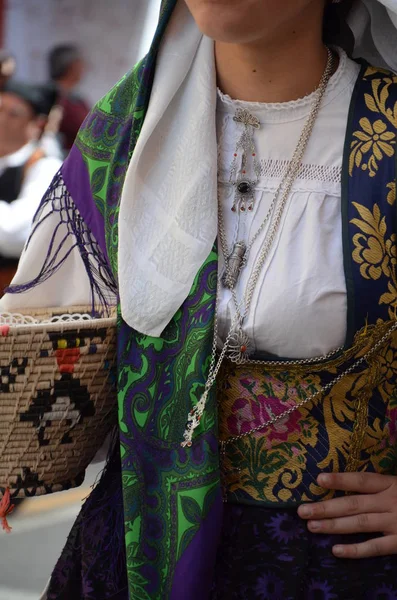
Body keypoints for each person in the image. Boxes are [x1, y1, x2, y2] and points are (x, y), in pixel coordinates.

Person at [1, 0, 397, 598]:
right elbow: (44, 333)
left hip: (334, 569)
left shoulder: (387, 130)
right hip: (139, 548)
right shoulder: (123, 129)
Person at [0, 82, 62, 293]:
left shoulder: (45, 167)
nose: (2, 119)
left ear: (37, 124)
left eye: (13, 114)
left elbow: (15, 234)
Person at [48, 44, 90, 152]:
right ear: (72, 66)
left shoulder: (77, 100)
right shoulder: (51, 97)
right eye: (80, 64)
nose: (83, 69)